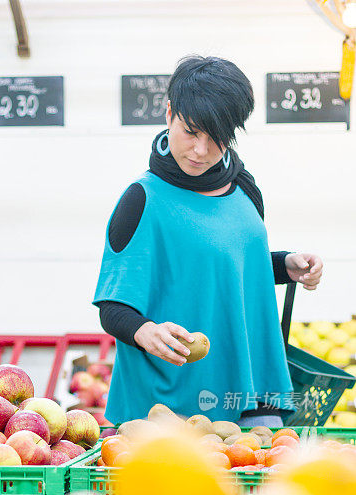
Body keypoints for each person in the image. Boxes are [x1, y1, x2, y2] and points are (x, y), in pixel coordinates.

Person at [94, 55, 323, 427]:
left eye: (216, 137)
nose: (200, 150)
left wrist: (284, 265)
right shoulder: (142, 200)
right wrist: (146, 331)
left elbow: (226, 267)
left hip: (252, 393)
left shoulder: (244, 188)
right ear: (169, 114)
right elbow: (113, 307)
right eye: (190, 132)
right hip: (169, 411)